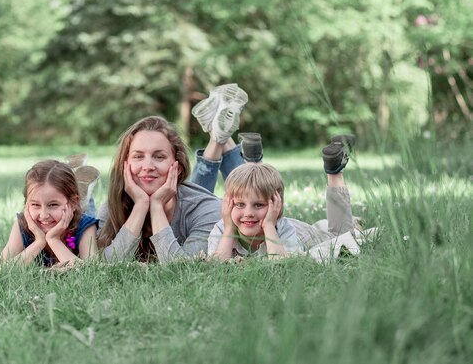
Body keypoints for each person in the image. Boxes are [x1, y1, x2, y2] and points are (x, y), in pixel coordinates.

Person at [192, 84, 362, 259]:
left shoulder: (282, 228)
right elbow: (218, 265)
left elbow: (281, 264)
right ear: (227, 204)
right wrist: (228, 227)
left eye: (258, 205)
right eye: (240, 205)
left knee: (341, 237)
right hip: (263, 221)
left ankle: (334, 171)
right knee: (255, 187)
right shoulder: (222, 227)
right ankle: (247, 156)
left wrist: (269, 226)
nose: (248, 212)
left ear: (276, 204)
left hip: (301, 233)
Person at [96, 116, 221, 263]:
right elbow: (106, 265)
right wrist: (141, 205)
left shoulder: (209, 210)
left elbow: (182, 269)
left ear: (178, 167)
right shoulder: (112, 207)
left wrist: (156, 206)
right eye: (138, 156)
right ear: (125, 165)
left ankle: (220, 140)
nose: (148, 166)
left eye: (159, 157)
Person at [0, 160, 99, 275]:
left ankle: (83, 185)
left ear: (72, 203)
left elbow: (91, 271)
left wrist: (53, 239)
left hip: (76, 215)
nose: (44, 215)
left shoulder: (86, 226)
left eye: (53, 205)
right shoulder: (23, 224)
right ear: (26, 204)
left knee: (87, 208)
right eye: (35, 205)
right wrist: (39, 242)